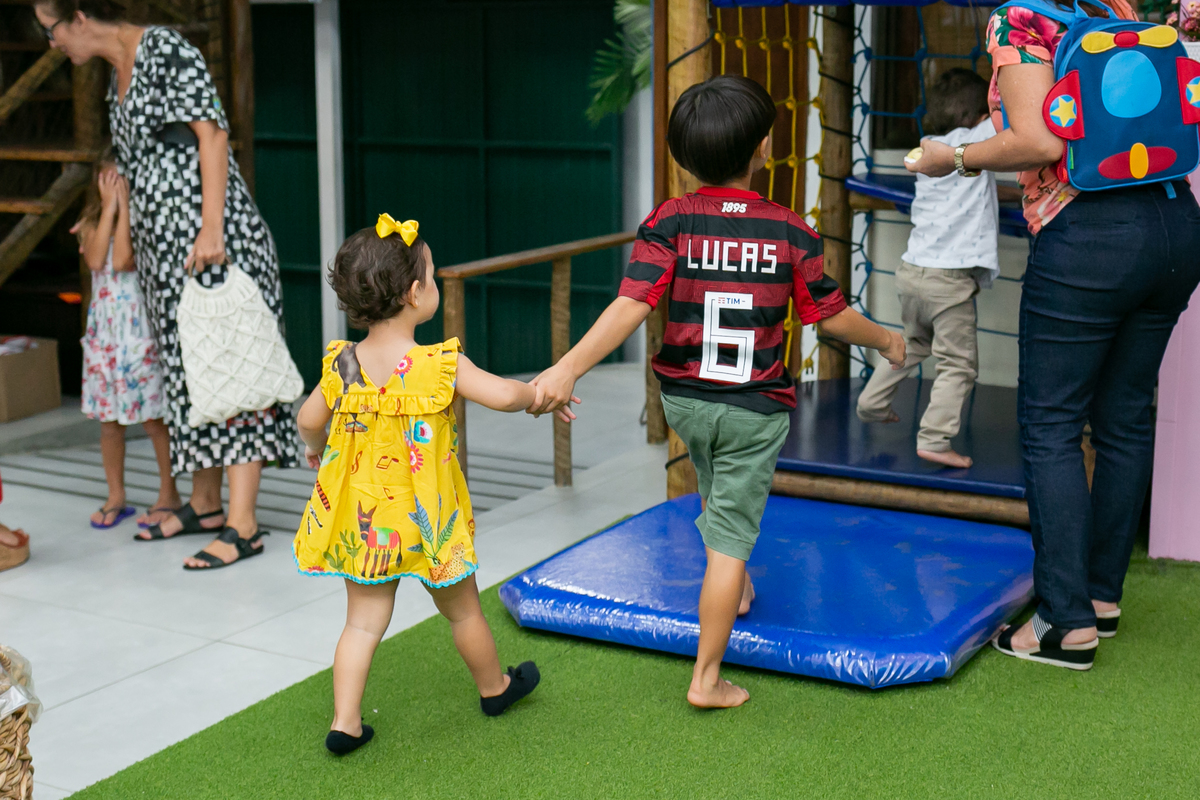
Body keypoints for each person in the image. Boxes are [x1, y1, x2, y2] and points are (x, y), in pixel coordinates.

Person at [529, 75, 906, 708]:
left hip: (686, 402)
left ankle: (738, 582)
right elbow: (828, 315)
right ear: (764, 149)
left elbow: (630, 305)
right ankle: (707, 678)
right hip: (753, 411)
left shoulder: (669, 222)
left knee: (713, 481)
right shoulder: (792, 232)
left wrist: (568, 366)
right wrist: (887, 341)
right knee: (729, 539)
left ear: (680, 157)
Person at [908, 0, 1200, 669]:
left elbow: (1039, 141)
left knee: (1051, 424)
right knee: (1125, 417)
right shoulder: (1117, 6)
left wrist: (950, 154)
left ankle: (1064, 625)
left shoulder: (1020, 18)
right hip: (1176, 223)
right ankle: (1099, 597)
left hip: (1090, 233)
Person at [36, 0, 301, 568]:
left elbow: (212, 136)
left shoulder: (165, 50)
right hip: (162, 254)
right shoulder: (117, 74)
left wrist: (210, 231)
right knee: (186, 373)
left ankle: (243, 523)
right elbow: (132, 168)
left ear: (79, 16)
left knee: (229, 368)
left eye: (51, 29)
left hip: (209, 241)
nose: (52, 42)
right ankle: (205, 505)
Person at [294, 217, 544, 755]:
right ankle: (494, 688)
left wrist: (316, 446)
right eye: (430, 277)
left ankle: (346, 723)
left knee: (361, 624)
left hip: (368, 520)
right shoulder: (439, 364)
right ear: (414, 294)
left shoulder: (343, 364)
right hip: (431, 522)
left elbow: (308, 418)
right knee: (464, 611)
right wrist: (537, 395)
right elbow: (502, 395)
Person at [856, 68, 1022, 469]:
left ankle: (871, 402)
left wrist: (1012, 195)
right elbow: (1007, 132)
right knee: (958, 364)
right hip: (949, 282)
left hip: (913, 272)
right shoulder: (975, 139)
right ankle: (933, 438)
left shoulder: (928, 151)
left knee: (912, 344)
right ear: (981, 115)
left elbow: (971, 184)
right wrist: (1006, 97)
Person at [72, 157, 180, 530]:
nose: (117, 185)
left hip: (138, 335)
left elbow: (121, 261)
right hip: (105, 339)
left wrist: (126, 210)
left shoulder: (145, 224)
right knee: (109, 423)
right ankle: (115, 494)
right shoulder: (90, 224)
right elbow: (98, 258)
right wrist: (109, 208)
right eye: (110, 179)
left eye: (123, 180)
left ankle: (169, 493)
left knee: (153, 419)